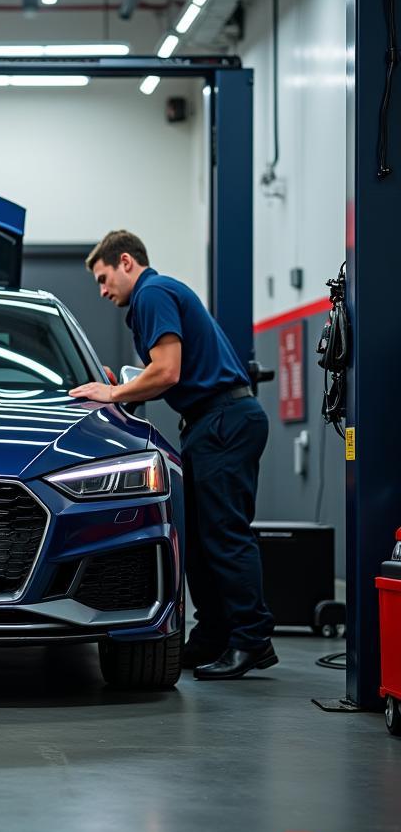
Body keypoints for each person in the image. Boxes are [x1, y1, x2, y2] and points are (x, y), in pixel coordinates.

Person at [70, 230, 276, 681]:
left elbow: (167, 371)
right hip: (211, 422)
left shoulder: (153, 292)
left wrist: (115, 391)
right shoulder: (157, 296)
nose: (103, 292)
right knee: (202, 541)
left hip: (224, 419)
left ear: (126, 262)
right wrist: (124, 382)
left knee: (224, 534)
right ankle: (212, 635)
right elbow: (163, 370)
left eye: (104, 279)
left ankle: (252, 639)